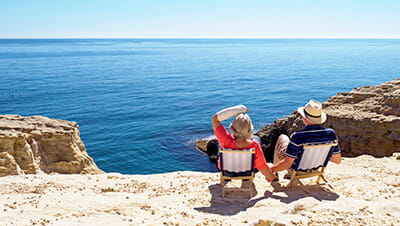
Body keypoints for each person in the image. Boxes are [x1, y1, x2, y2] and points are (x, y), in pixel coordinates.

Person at [270, 100, 342, 174]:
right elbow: (337, 160)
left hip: (296, 169)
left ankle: (273, 174)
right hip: (316, 168)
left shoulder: (297, 136)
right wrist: (320, 156)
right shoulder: (331, 134)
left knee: (283, 138)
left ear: (304, 118)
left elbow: (287, 163)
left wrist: (271, 169)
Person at [212, 105, 277, 182]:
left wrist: (239, 109)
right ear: (250, 129)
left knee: (220, 147)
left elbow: (215, 118)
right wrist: (272, 177)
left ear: (232, 128)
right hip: (247, 172)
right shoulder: (254, 145)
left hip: (227, 172)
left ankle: (226, 178)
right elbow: (262, 166)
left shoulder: (225, 140)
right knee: (257, 139)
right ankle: (245, 179)